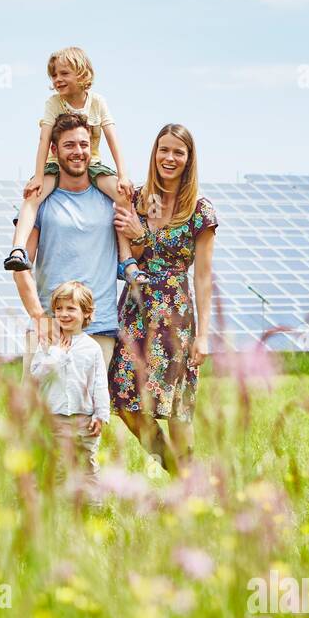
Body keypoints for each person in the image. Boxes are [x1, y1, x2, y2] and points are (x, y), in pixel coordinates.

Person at [109, 123, 217, 476]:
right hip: (136, 311)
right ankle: (178, 473)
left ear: (189, 159)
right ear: (154, 153)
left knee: (175, 409)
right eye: (164, 150)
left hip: (175, 314)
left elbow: (202, 276)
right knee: (125, 400)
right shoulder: (141, 200)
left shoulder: (199, 210)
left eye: (178, 152)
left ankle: (189, 488)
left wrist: (203, 335)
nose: (169, 158)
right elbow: (132, 251)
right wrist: (140, 238)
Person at [2, 46, 146, 289]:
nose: (58, 80)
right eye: (54, 75)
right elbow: (44, 139)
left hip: (93, 163)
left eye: (64, 74)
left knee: (123, 195)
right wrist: (38, 176)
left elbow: (112, 137)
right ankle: (18, 251)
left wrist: (123, 175)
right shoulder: (54, 103)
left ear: (81, 74)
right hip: (54, 165)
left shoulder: (98, 103)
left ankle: (126, 261)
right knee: (32, 197)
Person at [10, 112, 119, 381]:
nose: (78, 152)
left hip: (98, 327)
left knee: (88, 412)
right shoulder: (40, 199)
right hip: (49, 324)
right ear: (54, 149)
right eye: (69, 145)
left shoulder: (110, 200)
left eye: (83, 144)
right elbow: (21, 265)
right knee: (36, 414)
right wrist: (39, 317)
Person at [30, 281, 109, 494]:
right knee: (58, 466)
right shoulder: (47, 344)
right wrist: (57, 355)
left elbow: (100, 383)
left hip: (85, 420)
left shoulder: (92, 348)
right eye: (59, 309)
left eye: (70, 308)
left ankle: (93, 507)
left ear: (86, 313)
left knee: (87, 466)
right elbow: (36, 376)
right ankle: (57, 508)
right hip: (55, 419)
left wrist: (101, 414)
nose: (64, 314)